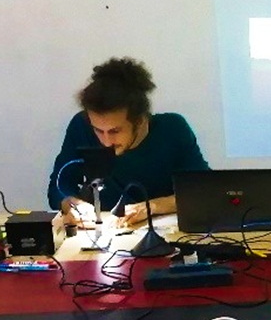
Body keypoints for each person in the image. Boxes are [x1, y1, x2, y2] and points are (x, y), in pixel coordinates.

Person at [47, 57, 209, 227]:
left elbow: (202, 192)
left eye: (115, 131)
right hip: (103, 231)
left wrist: (151, 207)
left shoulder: (173, 129)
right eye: (98, 130)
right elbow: (58, 187)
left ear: (139, 121)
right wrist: (72, 204)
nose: (106, 142)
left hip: (162, 233)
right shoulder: (81, 126)